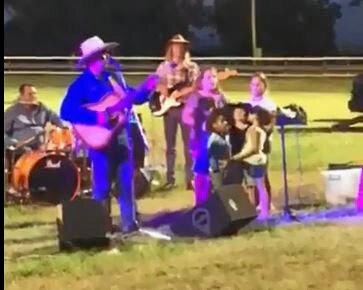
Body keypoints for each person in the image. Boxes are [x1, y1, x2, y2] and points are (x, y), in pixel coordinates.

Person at [60, 36, 158, 234]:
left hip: (121, 137)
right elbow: (66, 111)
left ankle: (130, 226)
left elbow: (133, 97)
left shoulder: (113, 78)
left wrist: (152, 84)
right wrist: (98, 117)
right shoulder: (80, 85)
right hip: (100, 141)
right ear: (91, 60)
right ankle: (100, 227)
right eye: (102, 54)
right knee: (102, 186)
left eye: (106, 52)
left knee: (125, 182)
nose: (107, 56)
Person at [155, 34, 200, 190]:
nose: (178, 48)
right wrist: (165, 93)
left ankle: (190, 179)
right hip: (169, 109)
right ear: (171, 47)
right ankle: (170, 179)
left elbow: (195, 87)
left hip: (186, 108)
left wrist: (179, 94)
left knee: (189, 145)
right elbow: (158, 84)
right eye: (175, 45)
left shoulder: (191, 67)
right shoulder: (163, 66)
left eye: (180, 46)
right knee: (170, 146)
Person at [182, 67, 227, 205]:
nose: (212, 80)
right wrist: (200, 123)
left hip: (218, 141)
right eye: (208, 77)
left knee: (218, 172)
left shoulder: (221, 97)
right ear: (201, 80)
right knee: (201, 173)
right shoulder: (196, 96)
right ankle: (200, 203)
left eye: (214, 76)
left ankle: (218, 204)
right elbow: (186, 117)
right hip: (200, 139)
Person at [231, 106, 273, 220]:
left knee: (259, 186)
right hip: (256, 160)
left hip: (255, 161)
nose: (247, 115)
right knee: (258, 186)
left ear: (256, 116)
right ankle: (261, 211)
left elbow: (253, 148)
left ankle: (263, 212)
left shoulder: (254, 129)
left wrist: (238, 157)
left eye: (250, 113)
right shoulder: (259, 129)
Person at [4, 83, 64, 158]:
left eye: (35, 94)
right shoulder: (11, 111)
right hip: (22, 149)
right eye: (30, 94)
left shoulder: (42, 108)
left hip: (42, 147)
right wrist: (15, 143)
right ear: (21, 95)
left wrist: (58, 129)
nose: (34, 96)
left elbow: (58, 121)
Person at [245, 73, 277, 210]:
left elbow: (270, 126)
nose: (255, 87)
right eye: (253, 84)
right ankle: (254, 203)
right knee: (250, 176)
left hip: (263, 144)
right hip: (248, 144)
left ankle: (267, 203)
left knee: (262, 175)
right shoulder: (246, 103)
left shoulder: (269, 104)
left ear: (264, 86)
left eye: (258, 84)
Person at [223, 102, 252, 185]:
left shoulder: (250, 128)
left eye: (241, 112)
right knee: (235, 184)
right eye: (236, 112)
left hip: (248, 160)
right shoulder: (230, 129)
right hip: (235, 160)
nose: (239, 114)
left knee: (251, 185)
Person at [206, 109, 231, 192]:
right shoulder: (215, 140)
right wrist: (217, 171)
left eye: (225, 120)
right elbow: (213, 160)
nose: (226, 123)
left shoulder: (223, 137)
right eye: (222, 121)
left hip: (222, 171)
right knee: (220, 193)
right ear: (214, 125)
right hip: (218, 173)